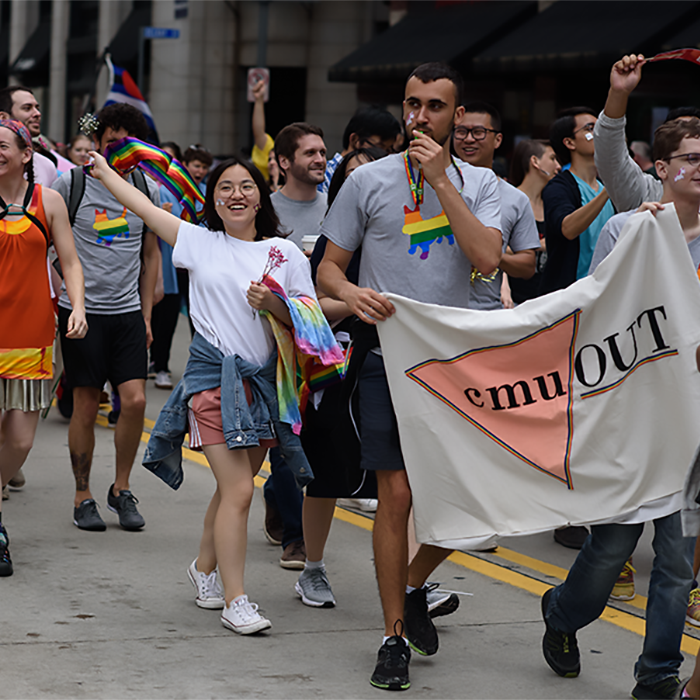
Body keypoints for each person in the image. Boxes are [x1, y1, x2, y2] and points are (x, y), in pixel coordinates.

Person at [89, 148, 332, 635]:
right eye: (225, 188)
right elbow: (143, 207)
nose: (236, 194)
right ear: (213, 200)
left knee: (231, 491)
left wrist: (276, 304)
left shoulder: (283, 254)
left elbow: (312, 320)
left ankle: (203, 568)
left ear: (261, 195)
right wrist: (103, 171)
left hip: (265, 389)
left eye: (246, 186)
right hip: (212, 384)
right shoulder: (198, 241)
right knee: (241, 489)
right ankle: (235, 599)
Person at [318, 61, 502, 691]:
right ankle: (392, 634)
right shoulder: (365, 180)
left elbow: (486, 260)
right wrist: (353, 292)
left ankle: (415, 584)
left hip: (457, 362)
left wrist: (441, 182)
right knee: (395, 495)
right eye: (412, 104)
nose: (420, 116)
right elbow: (328, 272)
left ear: (456, 117)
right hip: (383, 355)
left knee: (472, 501)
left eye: (434, 106)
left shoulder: (481, 185)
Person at [542, 118, 700, 700]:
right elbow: (598, 314)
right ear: (661, 169)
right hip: (634, 416)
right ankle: (561, 613)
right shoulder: (630, 229)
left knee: (678, 561)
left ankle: (656, 673)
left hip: (694, 425)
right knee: (609, 548)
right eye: (689, 157)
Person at [53, 103, 160, 532]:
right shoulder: (71, 184)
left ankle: (121, 488)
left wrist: (148, 316)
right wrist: (72, 295)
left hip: (128, 314)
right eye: (110, 139)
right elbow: (52, 248)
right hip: (83, 315)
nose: (117, 149)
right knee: (84, 403)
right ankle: (83, 495)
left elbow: (151, 256)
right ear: (96, 142)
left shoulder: (142, 189)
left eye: (126, 142)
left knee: (134, 400)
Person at [294, 146, 387, 608]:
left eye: (374, 175)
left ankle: (408, 584)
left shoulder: (401, 233)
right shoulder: (332, 241)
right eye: (354, 177)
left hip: (393, 360)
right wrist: (355, 300)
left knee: (398, 476)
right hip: (338, 363)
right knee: (327, 471)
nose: (366, 184)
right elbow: (308, 301)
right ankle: (312, 568)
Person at [0, 119, 87, 576]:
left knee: (20, 439)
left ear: (25, 153)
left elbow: (69, 260)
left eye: (2, 145)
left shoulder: (47, 201)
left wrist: (78, 306)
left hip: (32, 336)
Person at [265, 122, 328, 569]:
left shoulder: (339, 208)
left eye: (323, 152)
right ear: (285, 162)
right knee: (285, 435)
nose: (320, 159)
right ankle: (295, 535)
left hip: (325, 336)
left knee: (315, 439)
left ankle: (276, 495)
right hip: (273, 338)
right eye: (309, 153)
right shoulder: (263, 210)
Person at [451, 101, 539, 311]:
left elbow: (528, 265)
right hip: (433, 310)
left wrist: (490, 254)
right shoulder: (434, 185)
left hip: (484, 312)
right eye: (461, 132)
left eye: (479, 132)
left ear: (498, 139)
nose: (469, 139)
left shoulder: (516, 198)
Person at [151, 144, 212, 390]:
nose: (200, 171)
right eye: (196, 165)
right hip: (172, 262)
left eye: (204, 167)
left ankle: (200, 367)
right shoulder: (166, 190)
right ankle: (160, 367)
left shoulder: (209, 192)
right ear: (185, 165)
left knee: (200, 320)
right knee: (165, 319)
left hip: (199, 265)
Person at [540, 107, 615, 295]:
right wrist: (608, 192)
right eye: (590, 128)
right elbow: (568, 228)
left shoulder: (605, 185)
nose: (598, 133)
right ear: (569, 142)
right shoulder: (558, 187)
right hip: (570, 297)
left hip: (607, 292)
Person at [508, 139, 561, 303]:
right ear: (535, 162)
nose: (558, 166)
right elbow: (495, 246)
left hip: (546, 303)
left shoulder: (551, 204)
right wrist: (535, 245)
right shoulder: (510, 199)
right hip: (513, 300)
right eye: (552, 159)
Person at [320, 106, 401, 193]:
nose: (383, 155)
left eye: (388, 150)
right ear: (355, 140)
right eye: (379, 147)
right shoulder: (322, 177)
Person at [0, 86, 58, 187]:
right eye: (27, 108)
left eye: (37, 108)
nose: (37, 114)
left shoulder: (46, 166)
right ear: (3, 117)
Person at [250, 81, 282, 193]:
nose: (271, 163)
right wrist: (259, 100)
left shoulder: (296, 191)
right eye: (269, 159)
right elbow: (259, 132)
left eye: (276, 159)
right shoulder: (261, 190)